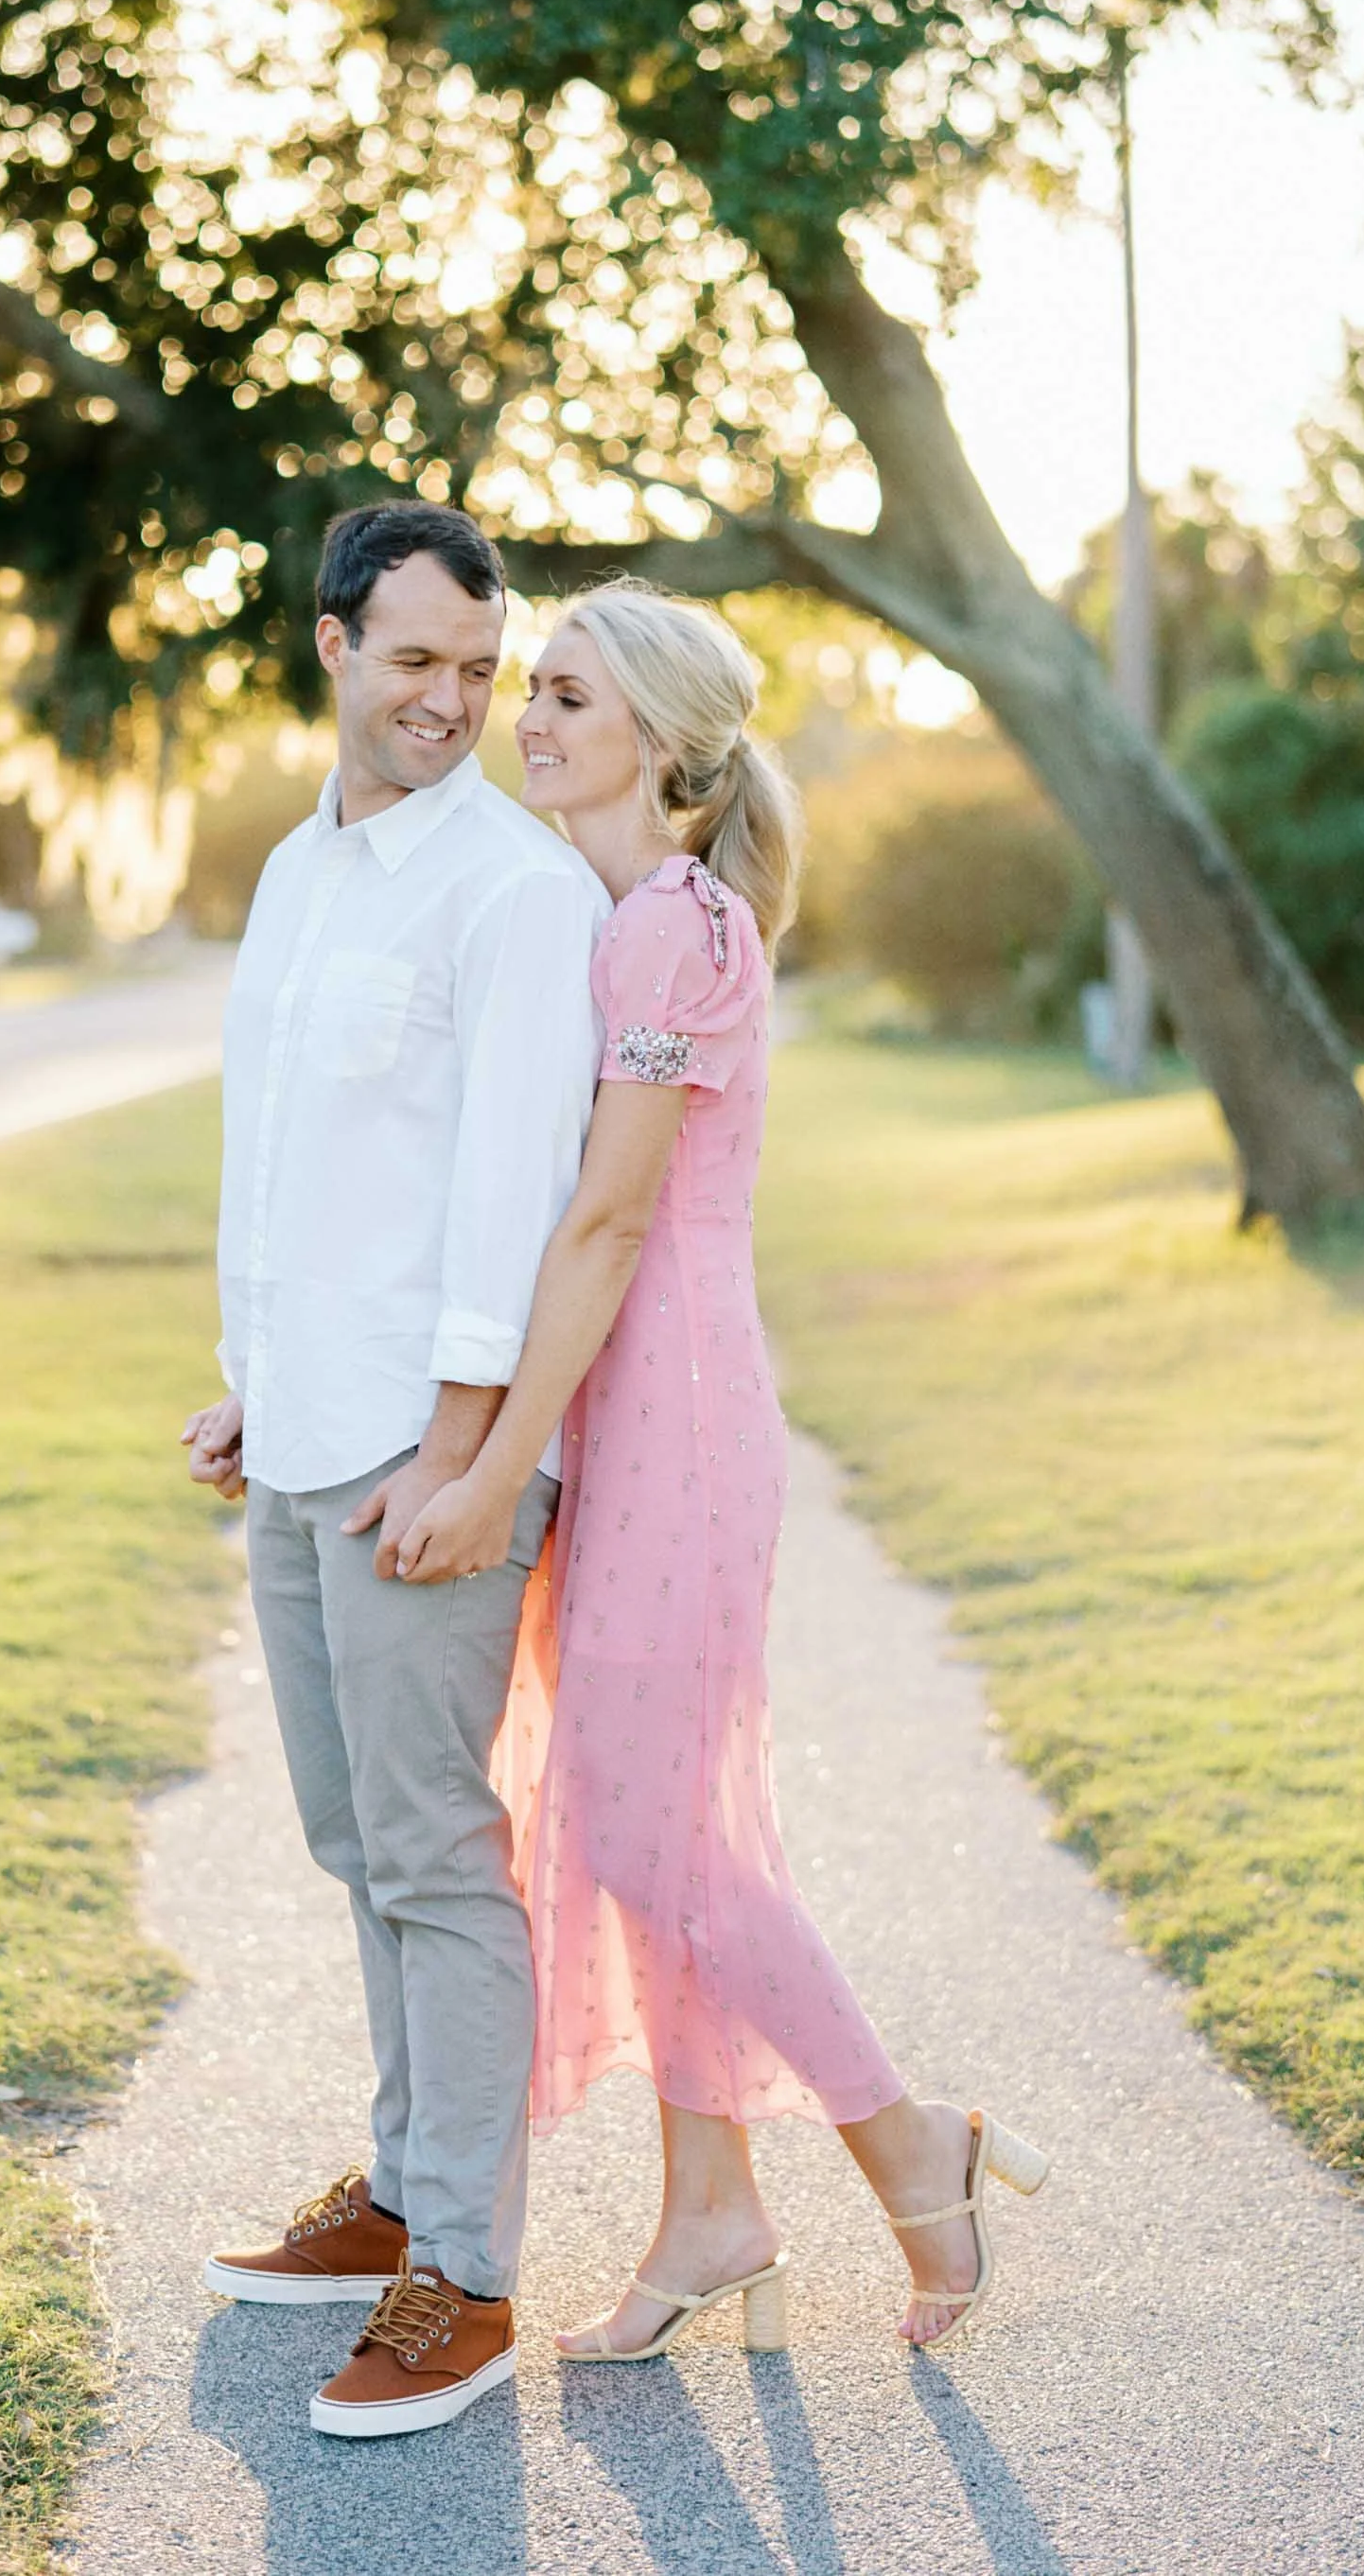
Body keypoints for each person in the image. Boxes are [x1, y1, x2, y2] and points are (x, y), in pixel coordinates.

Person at [390, 581, 1049, 2359]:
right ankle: (710, 2210)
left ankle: (910, 2139)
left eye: (571, 699)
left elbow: (607, 1225)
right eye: (536, 690)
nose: (530, 720)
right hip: (608, 1418)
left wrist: (491, 1467)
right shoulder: (579, 915)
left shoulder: (677, 930)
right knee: (645, 1821)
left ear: (666, 750)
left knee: (649, 1823)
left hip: (670, 1416)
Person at [178, 501, 607, 2439]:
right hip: (306, 1431)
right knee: (354, 1840)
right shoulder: (295, 870)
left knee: (436, 1855)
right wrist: (251, 1384)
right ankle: (398, 2189)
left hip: (421, 1463)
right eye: (416, 659)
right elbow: (291, 1156)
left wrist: (457, 1461)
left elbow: (509, 1196)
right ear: (332, 648)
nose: (451, 700)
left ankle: (470, 2276)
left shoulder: (512, 895)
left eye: (477, 666)